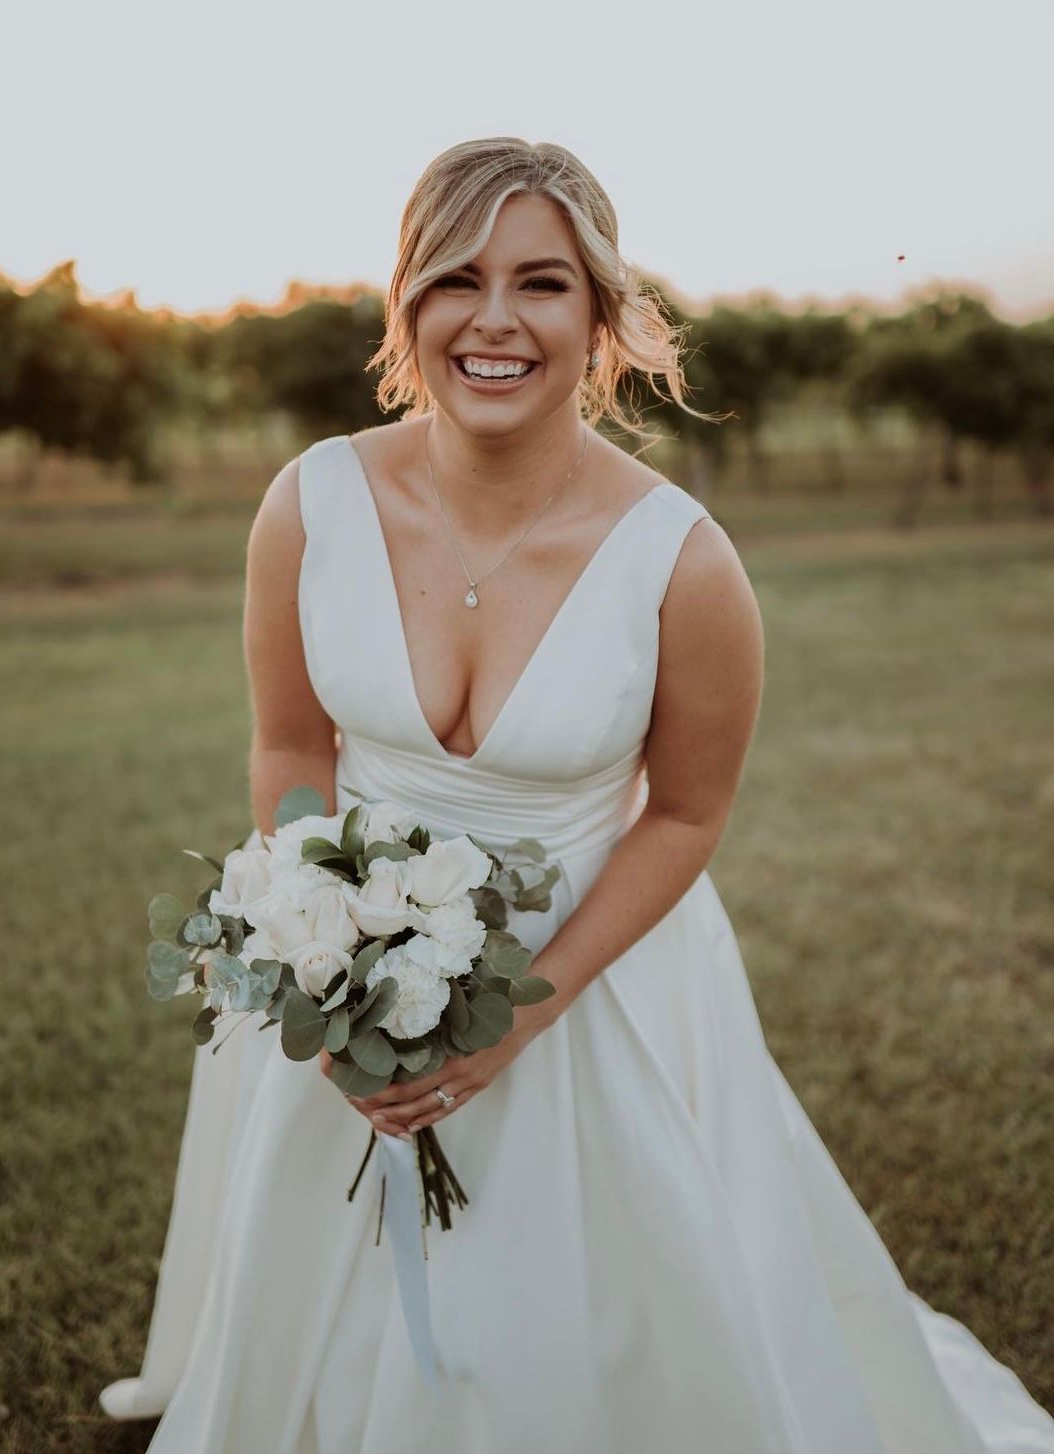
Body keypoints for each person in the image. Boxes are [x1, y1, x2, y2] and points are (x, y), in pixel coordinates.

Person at [100, 137, 1054, 1452]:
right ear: (407, 303)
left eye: (540, 283)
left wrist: (515, 1017)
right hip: (350, 980)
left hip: (592, 987)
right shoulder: (309, 504)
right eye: (455, 278)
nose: (493, 321)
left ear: (601, 314)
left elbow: (682, 815)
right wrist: (326, 960)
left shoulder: (683, 561)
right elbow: (289, 747)